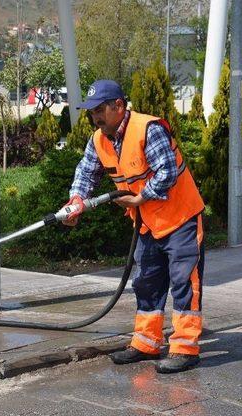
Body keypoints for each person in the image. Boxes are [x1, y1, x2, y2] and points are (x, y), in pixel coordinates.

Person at [63, 80, 205, 374]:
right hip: (147, 225)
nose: (95, 117)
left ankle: (185, 347)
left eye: (100, 110)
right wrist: (76, 201)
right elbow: (86, 171)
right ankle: (147, 342)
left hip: (180, 219)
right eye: (92, 112)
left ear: (118, 106)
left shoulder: (147, 128)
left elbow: (167, 171)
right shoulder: (99, 139)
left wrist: (140, 197)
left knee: (183, 283)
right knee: (147, 282)